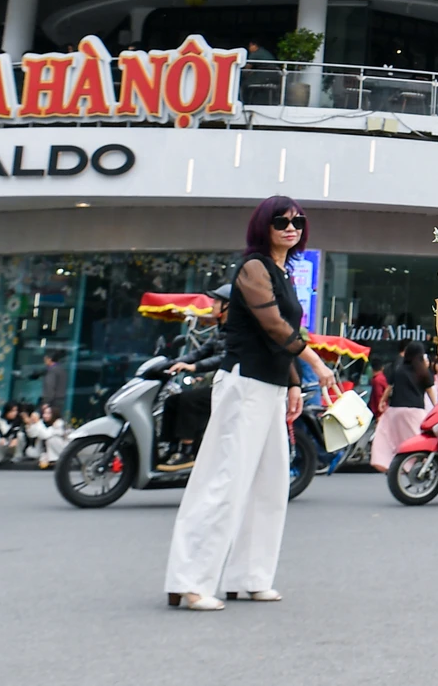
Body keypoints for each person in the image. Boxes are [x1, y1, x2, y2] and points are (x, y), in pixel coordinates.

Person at [163, 198, 337, 610]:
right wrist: (314, 362)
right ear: (264, 226)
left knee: (270, 486)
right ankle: (189, 583)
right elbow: (274, 326)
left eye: (298, 221)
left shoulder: (283, 272)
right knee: (223, 482)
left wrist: (294, 384)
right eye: (281, 221)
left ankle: (248, 577)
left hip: (271, 387)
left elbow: (283, 332)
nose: (290, 227)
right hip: (244, 386)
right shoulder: (254, 268)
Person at [163, 288, 229, 467]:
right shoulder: (220, 330)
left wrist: (193, 367)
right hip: (219, 384)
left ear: (227, 306)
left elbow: (223, 358)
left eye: (216, 302)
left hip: (231, 387)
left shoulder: (237, 331)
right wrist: (171, 363)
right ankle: (171, 447)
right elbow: (201, 352)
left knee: (188, 400)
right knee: (172, 401)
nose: (212, 305)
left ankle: (187, 452)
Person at [371, 341, 433, 473]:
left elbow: (389, 387)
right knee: (417, 440)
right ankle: (418, 465)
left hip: (395, 410)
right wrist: (437, 407)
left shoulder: (398, 369)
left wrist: (382, 401)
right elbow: (430, 391)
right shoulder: (423, 371)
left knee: (389, 436)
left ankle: (387, 463)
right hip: (415, 411)